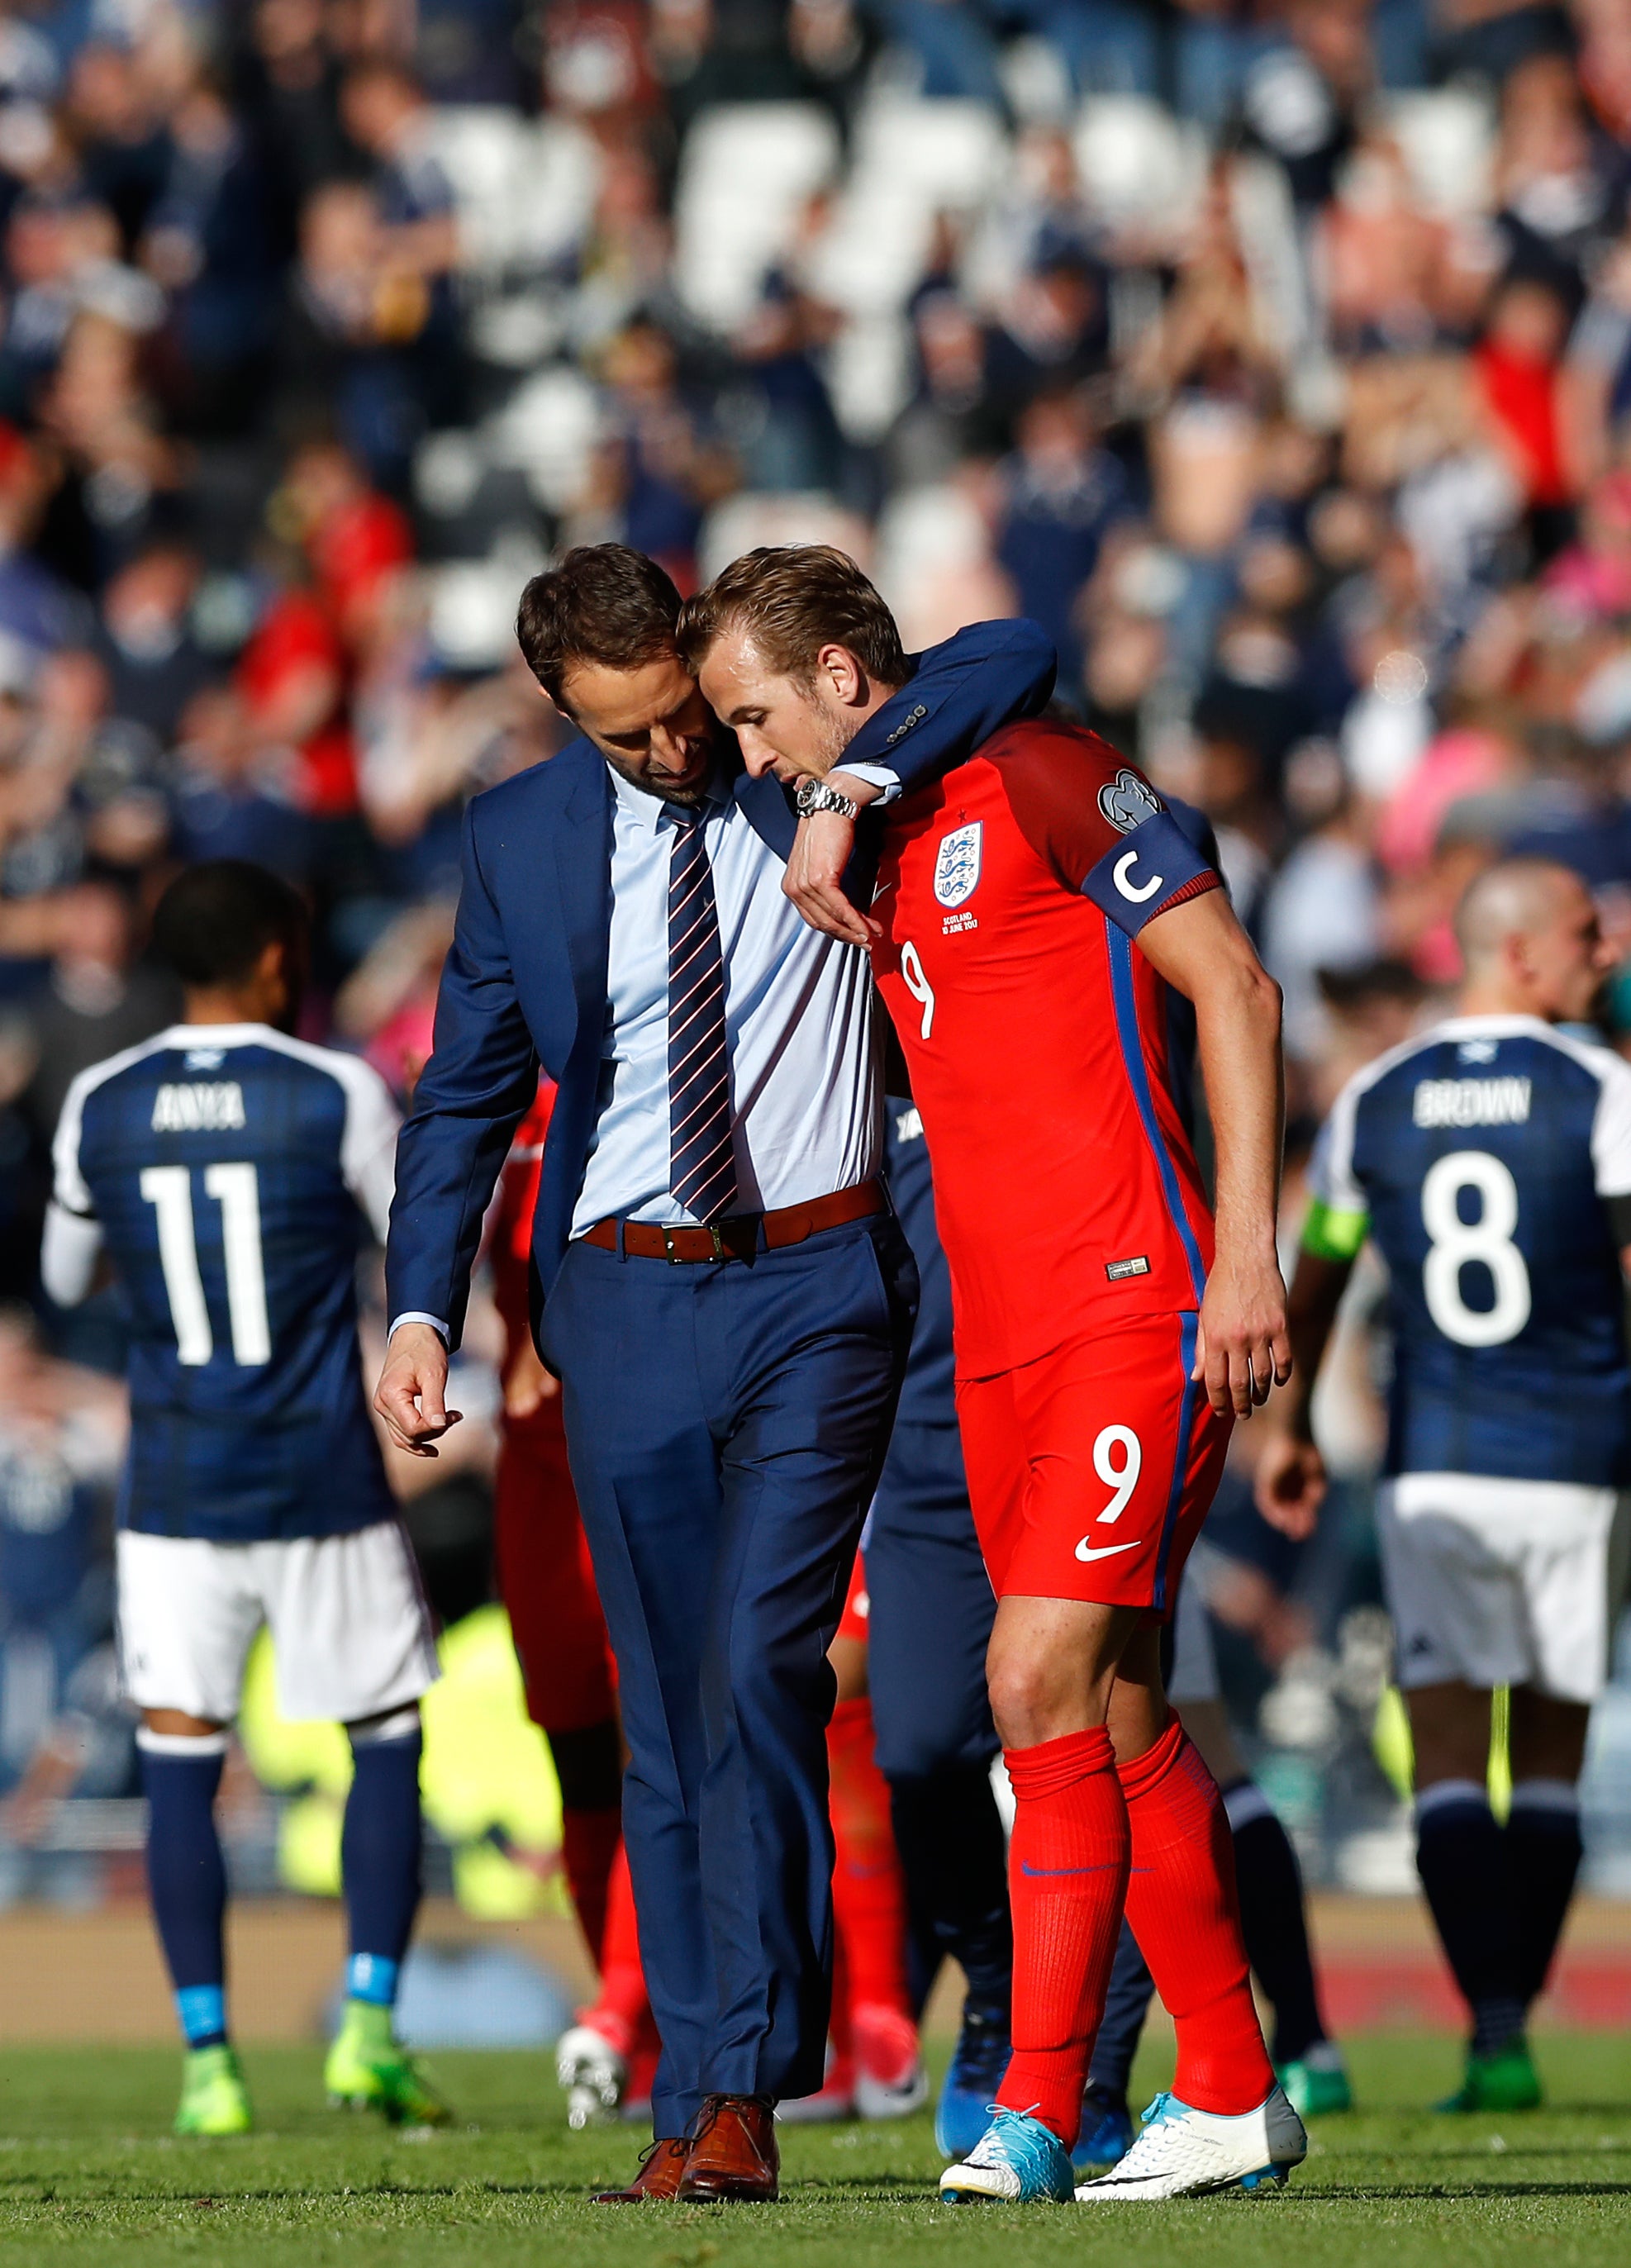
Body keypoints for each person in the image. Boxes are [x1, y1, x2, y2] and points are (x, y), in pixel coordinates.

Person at [375, 543, 1054, 2204]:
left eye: (686, 714)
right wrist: (417, 1309)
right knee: (666, 1705)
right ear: (559, 714)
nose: (679, 755)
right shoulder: (522, 835)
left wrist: (858, 777)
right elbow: (462, 1095)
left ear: (703, 661)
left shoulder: (803, 769)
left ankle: (747, 2078)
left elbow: (1017, 649)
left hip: (821, 1282)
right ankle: (696, 2096)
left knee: (759, 1664)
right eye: (629, 738)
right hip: (613, 1301)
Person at [679, 545, 1305, 2205]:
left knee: (1032, 1680)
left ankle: (1032, 2104)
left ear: (834, 675)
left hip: (1133, 1297)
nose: (756, 759)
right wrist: (844, 788)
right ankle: (1234, 2085)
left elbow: (1236, 987)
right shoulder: (863, 835)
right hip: (998, 1338)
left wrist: (1248, 1248)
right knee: (1108, 1697)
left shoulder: (1043, 771)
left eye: (760, 716)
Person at [40, 860, 445, 2139]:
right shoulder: (332, 1088)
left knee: (178, 1759)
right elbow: (410, 1239)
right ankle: (369, 2026)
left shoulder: (102, 1097)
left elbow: (64, 1271)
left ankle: (210, 2061)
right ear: (278, 958)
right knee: (382, 1734)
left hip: (176, 1481)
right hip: (321, 1473)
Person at [1255, 856, 1631, 2114]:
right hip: (1582, 1464)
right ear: (1517, 952)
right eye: (1587, 931)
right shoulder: (1603, 1090)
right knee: (1557, 1757)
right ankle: (1507, 2032)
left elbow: (1317, 1269)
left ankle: (1492, 2032)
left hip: (1433, 1462)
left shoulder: (1376, 1097)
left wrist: (1294, 1418)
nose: (1606, 950)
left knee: (1455, 1765)